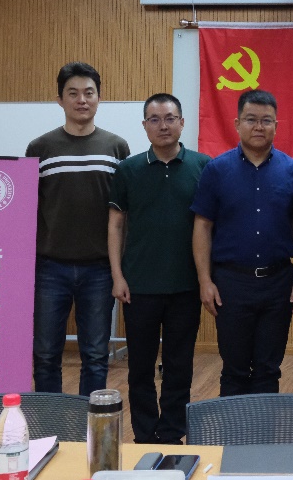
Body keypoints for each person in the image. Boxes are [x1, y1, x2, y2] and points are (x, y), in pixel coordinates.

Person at [107, 93, 211, 443]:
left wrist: (206, 278)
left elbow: (210, 225)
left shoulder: (203, 166)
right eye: (154, 119)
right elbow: (116, 224)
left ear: (182, 123)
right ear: (145, 126)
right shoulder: (128, 169)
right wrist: (117, 275)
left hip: (186, 285)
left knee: (179, 366)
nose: (163, 126)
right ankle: (144, 434)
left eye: (169, 118)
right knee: (140, 367)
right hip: (139, 285)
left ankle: (171, 432)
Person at [191, 89, 293, 396]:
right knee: (234, 369)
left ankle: (262, 429)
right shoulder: (216, 170)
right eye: (251, 119)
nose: (258, 126)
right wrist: (205, 280)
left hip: (278, 283)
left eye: (266, 120)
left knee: (269, 369)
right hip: (231, 283)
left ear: (276, 126)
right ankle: (234, 428)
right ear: (237, 123)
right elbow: (202, 226)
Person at [27, 61, 130, 396]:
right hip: (49, 268)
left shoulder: (117, 147)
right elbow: (28, 210)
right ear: (60, 100)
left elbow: (123, 214)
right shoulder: (40, 148)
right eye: (73, 93)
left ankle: (90, 424)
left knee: (96, 357)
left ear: (99, 98)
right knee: (45, 355)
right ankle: (50, 422)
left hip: (100, 269)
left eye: (89, 92)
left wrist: (120, 268)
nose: (81, 100)